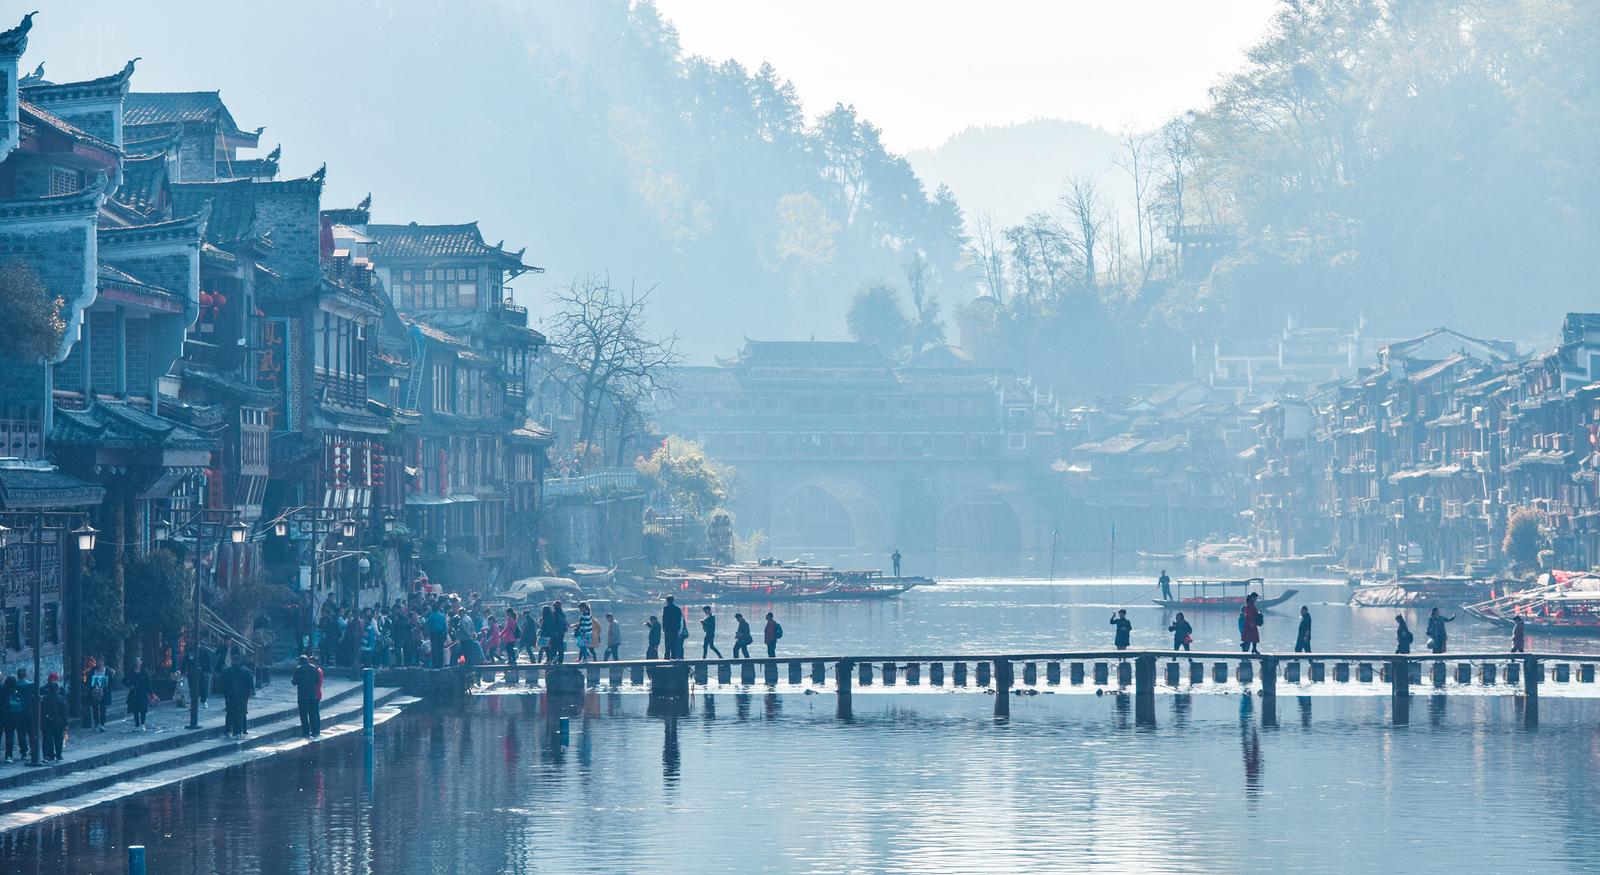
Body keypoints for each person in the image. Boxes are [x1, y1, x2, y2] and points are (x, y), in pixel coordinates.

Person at [221, 653, 256, 738]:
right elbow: (251, 684)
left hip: (230, 695)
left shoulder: (227, 671)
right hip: (242, 695)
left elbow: (222, 683)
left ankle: (228, 730)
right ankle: (240, 731)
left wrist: (226, 692)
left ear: (232, 662)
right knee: (241, 712)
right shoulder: (245, 671)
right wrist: (249, 693)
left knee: (230, 712)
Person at [292, 654, 323, 738]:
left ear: (300, 661)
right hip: (312, 694)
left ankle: (306, 732)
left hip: (302, 694)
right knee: (312, 713)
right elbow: (317, 680)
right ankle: (315, 732)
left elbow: (294, 682)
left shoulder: (298, 669)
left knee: (303, 714)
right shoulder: (314, 668)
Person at [39, 673, 66, 763]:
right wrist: (66, 723)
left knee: (47, 738)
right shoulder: (60, 699)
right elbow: (64, 712)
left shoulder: (45, 699)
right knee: (58, 739)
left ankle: (47, 755)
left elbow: (42, 711)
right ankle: (58, 755)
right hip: (58, 721)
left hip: (47, 721)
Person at [87, 658, 115, 732]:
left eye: (101, 661)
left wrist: (106, 688)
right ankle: (96, 723)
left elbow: (111, 683)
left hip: (104, 692)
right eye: (98, 662)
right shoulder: (93, 671)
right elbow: (88, 682)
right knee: (95, 709)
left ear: (103, 662)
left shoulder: (108, 671)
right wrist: (92, 689)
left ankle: (102, 724)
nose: (99, 663)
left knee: (103, 709)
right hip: (94, 692)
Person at [125, 658, 152, 732]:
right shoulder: (131, 672)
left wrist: (151, 693)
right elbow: (124, 680)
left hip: (142, 692)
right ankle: (137, 725)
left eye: (139, 661)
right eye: (136, 661)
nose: (137, 663)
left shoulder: (144, 672)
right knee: (135, 710)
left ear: (141, 662)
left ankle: (143, 724)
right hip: (134, 693)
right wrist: (129, 685)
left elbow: (148, 683)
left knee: (143, 709)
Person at [1, 676, 21, 761]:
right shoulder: (15, 691)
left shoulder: (1, 689)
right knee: (10, 736)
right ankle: (9, 756)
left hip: (1, 715)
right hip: (11, 716)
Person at [426, 602, 449, 669]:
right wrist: (445, 635)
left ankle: (435, 664)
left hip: (434, 634)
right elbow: (445, 627)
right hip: (441, 634)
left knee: (434, 649)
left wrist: (428, 635)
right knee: (441, 650)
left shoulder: (431, 616)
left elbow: (429, 627)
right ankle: (440, 664)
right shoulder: (442, 616)